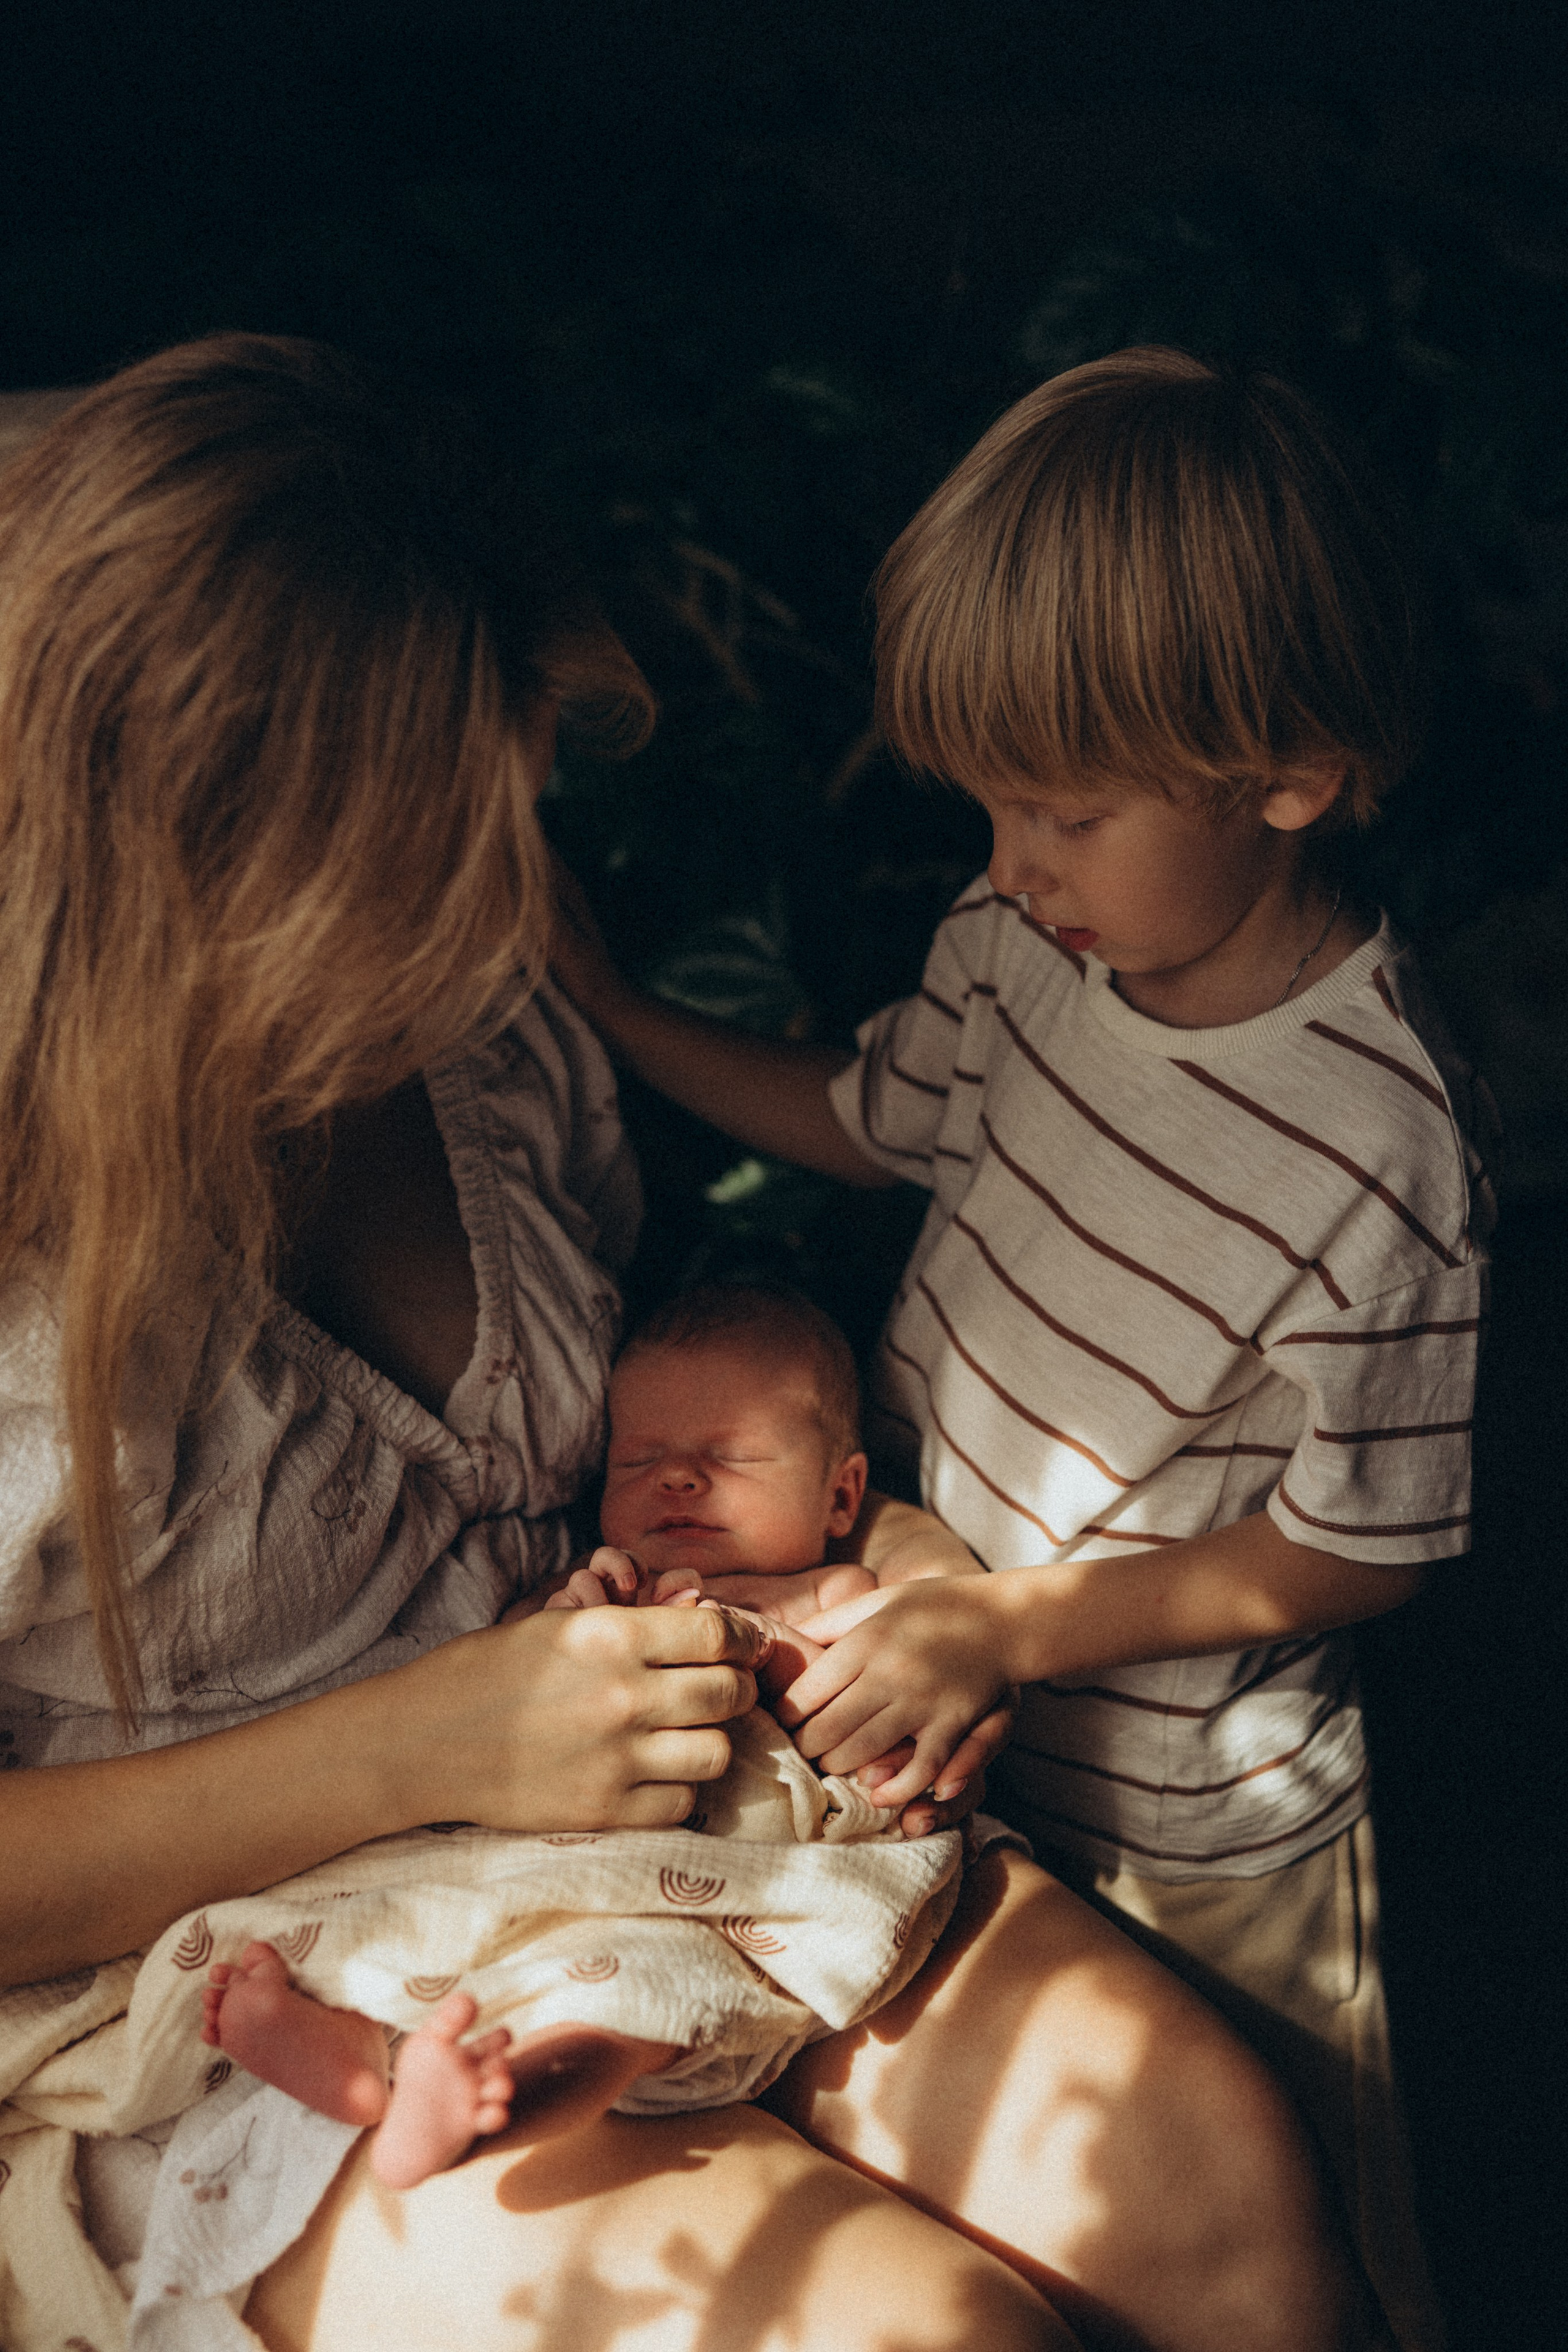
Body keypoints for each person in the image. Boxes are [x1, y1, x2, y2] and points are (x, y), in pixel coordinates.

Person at [0, 333, 1360, 2352]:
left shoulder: (475, 1026)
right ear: (208, 868)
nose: (497, 910)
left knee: (1219, 2182)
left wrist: (872, 1568)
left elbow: (644, 1415)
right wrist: (421, 1745)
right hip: (219, 1999)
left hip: (676, 1829)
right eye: (422, 860)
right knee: (924, 2339)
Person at [551, 346, 1487, 2352]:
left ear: (1290, 774)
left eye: (1063, 808)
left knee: (1283, 2265)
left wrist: (1013, 1627)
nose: (1004, 862)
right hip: (949, 1752)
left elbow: (1366, 1547)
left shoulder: (1384, 1138)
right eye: (984, 802)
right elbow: (868, 1117)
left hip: (1198, 1828)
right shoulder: (1027, 946)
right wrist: (618, 1016)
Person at [178, 1288, 970, 2197]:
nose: (678, 1478)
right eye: (639, 1460)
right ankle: (356, 2044)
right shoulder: (596, 1579)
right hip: (553, 1859)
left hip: (715, 1902)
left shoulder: (839, 1593)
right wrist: (568, 1624)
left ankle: (495, 2101)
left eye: (730, 1456)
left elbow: (865, 1709)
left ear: (841, 1495)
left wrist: (755, 1640)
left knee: (628, 2004)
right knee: (426, 1912)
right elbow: (505, 1686)